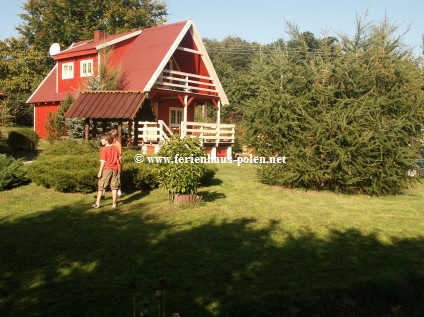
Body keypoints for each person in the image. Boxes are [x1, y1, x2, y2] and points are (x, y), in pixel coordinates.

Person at [91, 133, 121, 208]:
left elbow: (103, 161)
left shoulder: (104, 149)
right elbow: (120, 159)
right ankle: (114, 204)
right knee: (114, 187)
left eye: (102, 139)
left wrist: (100, 171)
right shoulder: (115, 148)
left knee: (101, 186)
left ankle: (97, 204)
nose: (101, 141)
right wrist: (121, 167)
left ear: (107, 140)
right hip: (115, 169)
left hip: (106, 169)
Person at [110, 129, 123, 197]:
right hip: (109, 164)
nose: (113, 139)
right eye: (111, 137)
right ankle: (102, 194)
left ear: (116, 137)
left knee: (117, 179)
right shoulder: (109, 144)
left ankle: (119, 191)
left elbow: (119, 156)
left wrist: (121, 165)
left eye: (114, 137)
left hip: (117, 164)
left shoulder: (118, 144)